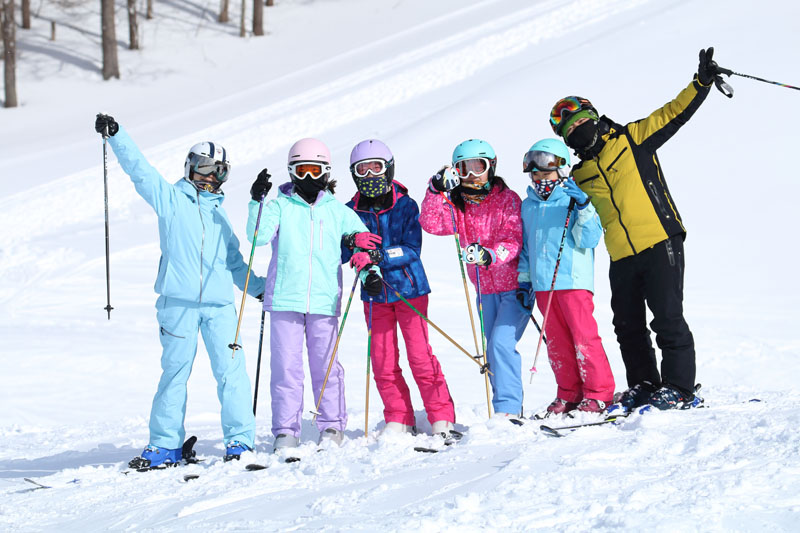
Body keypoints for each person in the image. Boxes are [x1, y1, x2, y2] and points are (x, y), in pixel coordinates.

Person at [547, 47, 726, 412]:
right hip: (621, 254)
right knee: (627, 325)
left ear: (594, 118)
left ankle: (679, 387)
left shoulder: (633, 138)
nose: (578, 132)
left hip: (660, 239)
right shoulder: (579, 174)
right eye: (570, 132)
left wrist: (701, 82)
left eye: (580, 123)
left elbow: (673, 113)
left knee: (667, 317)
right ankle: (644, 383)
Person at [94, 114, 266, 467]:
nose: (211, 177)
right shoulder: (170, 200)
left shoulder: (220, 217)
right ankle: (165, 444)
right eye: (205, 168)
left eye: (220, 171)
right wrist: (117, 136)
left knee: (231, 373)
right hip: (178, 305)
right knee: (174, 374)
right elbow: (141, 171)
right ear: (190, 167)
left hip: (220, 308)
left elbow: (235, 264)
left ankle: (239, 441)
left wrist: (262, 289)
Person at [246, 138, 382, 452]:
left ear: (326, 172)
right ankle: (286, 431)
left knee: (327, 366)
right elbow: (258, 237)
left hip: (323, 300)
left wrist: (369, 274)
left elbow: (363, 246)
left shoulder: (338, 211)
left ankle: (331, 425)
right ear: (291, 172)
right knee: (286, 369)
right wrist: (257, 203)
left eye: (315, 170)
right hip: (285, 300)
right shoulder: (279, 206)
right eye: (302, 170)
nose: (308, 177)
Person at [341, 139, 457, 439]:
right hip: (373, 293)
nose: (370, 176)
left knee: (419, 355)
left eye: (376, 168)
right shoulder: (349, 211)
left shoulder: (405, 205)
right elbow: (339, 252)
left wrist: (379, 256)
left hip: (409, 290)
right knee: (382, 359)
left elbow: (411, 249)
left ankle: (441, 414)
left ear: (389, 168)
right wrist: (351, 243)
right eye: (362, 170)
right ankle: (398, 416)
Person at [419, 139, 527, 419]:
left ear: (491, 166)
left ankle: (509, 408)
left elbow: (513, 240)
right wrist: (435, 190)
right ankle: (502, 409)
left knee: (501, 344)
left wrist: (490, 255)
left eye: (477, 167)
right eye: (463, 169)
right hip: (484, 290)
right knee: (492, 350)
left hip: (515, 287)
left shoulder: (507, 199)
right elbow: (431, 223)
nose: (471, 175)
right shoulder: (458, 204)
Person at [517, 138, 614, 417]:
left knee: (583, 338)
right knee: (557, 343)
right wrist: (524, 281)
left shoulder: (573, 200)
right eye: (536, 174)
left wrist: (583, 206)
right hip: (543, 286)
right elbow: (526, 248)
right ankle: (569, 393)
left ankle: (598, 393)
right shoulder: (528, 206)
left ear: (561, 171)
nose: (540, 179)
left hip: (573, 282)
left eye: (546, 173)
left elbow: (589, 239)